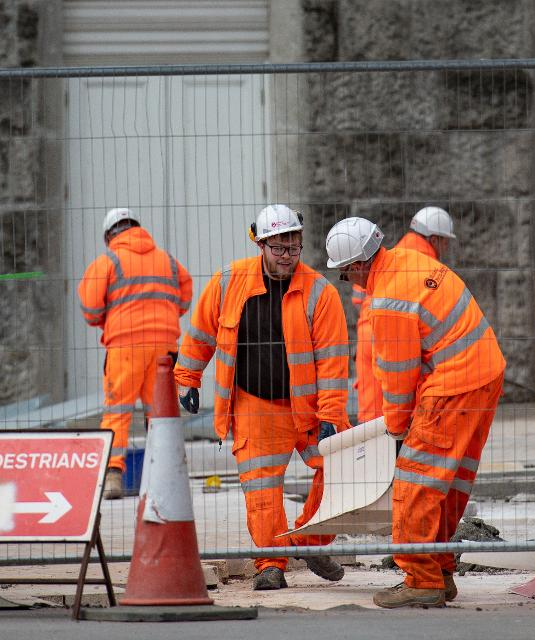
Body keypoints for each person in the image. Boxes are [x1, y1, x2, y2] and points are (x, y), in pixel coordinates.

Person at [326, 217, 504, 608]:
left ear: (357, 266)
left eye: (344, 275)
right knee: (448, 482)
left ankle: (422, 580)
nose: (349, 282)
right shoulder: (409, 260)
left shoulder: (387, 303)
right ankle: (439, 570)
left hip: (454, 384)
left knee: (415, 482)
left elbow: (397, 377)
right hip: (484, 374)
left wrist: (396, 430)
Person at [174, 204, 351, 591]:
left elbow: (334, 360)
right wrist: (187, 378)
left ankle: (309, 542)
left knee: (341, 469)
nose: (287, 256)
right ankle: (271, 564)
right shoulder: (228, 282)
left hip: (307, 407)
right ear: (260, 243)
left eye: (294, 248)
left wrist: (331, 414)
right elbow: (200, 333)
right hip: (254, 405)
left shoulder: (319, 292)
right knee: (261, 488)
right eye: (279, 248)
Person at [78, 208, 192, 500]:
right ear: (137, 228)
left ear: (109, 236)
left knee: (118, 410)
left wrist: (111, 318)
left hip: (124, 347)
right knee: (160, 413)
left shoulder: (108, 262)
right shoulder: (167, 260)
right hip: (164, 348)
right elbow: (184, 297)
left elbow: (90, 309)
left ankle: (113, 475)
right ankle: (165, 475)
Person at [353, 207, 457, 424]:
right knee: (398, 415)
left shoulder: (397, 252)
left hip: (368, 330)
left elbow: (358, 298)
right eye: (446, 242)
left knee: (372, 415)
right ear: (435, 239)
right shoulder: (425, 263)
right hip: (390, 332)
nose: (446, 248)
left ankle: (374, 456)